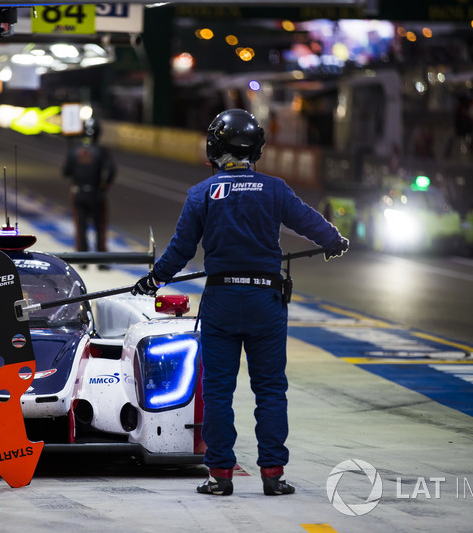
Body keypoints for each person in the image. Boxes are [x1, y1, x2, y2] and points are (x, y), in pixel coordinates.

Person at [131, 109, 349, 496]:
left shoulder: (202, 193)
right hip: (266, 299)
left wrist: (154, 280)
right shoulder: (276, 189)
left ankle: (220, 475)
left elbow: (180, 250)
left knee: (217, 390)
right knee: (270, 389)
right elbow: (310, 222)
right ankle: (273, 475)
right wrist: (333, 241)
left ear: (215, 147)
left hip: (222, 301)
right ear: (257, 148)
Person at [62, 118, 116, 257]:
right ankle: (101, 258)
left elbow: (65, 171)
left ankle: (82, 257)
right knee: (100, 226)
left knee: (80, 226)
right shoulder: (101, 151)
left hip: (78, 192)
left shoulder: (74, 150)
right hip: (96, 193)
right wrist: (104, 186)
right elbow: (111, 170)